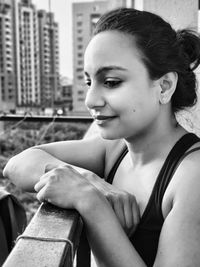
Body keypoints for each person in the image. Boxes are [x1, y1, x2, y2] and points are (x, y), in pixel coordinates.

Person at [3, 7, 200, 267]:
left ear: (164, 86)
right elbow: (17, 164)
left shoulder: (192, 178)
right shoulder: (115, 150)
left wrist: (92, 205)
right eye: (88, 82)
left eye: (111, 82)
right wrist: (88, 181)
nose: (90, 100)